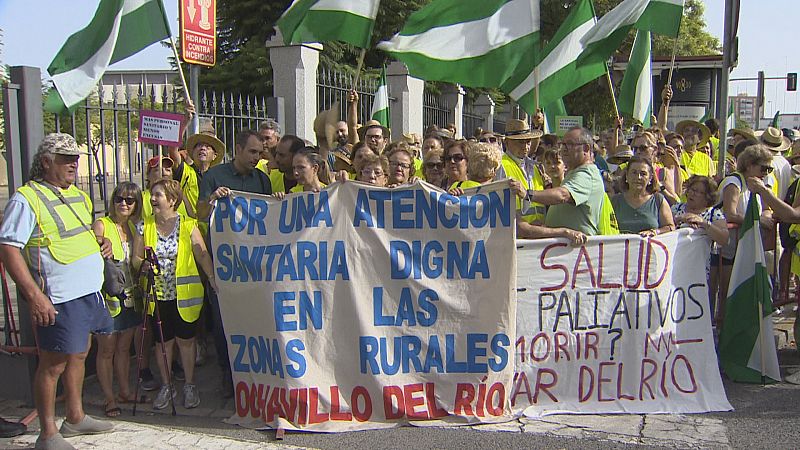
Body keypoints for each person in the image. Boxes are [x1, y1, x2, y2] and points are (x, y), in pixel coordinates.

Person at [0, 134, 114, 449]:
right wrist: (36, 296)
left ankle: (75, 417)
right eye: (66, 159)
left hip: (88, 291)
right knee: (53, 364)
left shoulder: (77, 194)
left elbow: (82, 232)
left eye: (75, 158)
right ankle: (48, 433)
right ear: (47, 161)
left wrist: (100, 242)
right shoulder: (27, 198)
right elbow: (9, 248)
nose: (73, 164)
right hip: (58, 295)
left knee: (79, 353)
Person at [134, 180, 216, 410]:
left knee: (185, 342)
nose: (152, 199)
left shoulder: (189, 225)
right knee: (163, 343)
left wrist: (212, 279)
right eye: (152, 194)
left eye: (158, 195)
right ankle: (167, 385)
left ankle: (189, 385)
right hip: (157, 295)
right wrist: (143, 266)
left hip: (184, 297)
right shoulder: (144, 225)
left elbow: (202, 254)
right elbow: (135, 258)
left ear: (172, 200)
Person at [93, 182, 145, 418]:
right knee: (107, 349)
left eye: (129, 200)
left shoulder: (134, 229)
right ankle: (109, 398)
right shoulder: (103, 224)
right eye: (119, 199)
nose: (123, 203)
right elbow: (96, 242)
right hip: (108, 298)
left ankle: (124, 391)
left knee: (124, 348)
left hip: (130, 296)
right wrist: (102, 241)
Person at [716, 145, 776, 324]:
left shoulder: (758, 185)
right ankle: (723, 327)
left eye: (770, 169)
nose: (766, 172)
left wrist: (765, 216)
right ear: (749, 165)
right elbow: (731, 213)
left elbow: (767, 209)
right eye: (763, 168)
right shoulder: (734, 183)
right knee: (727, 290)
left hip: (746, 244)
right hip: (728, 246)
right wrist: (758, 221)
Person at [526, 127, 606, 237]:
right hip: (564, 248)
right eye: (562, 144)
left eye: (570, 144)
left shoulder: (587, 174)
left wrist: (527, 194)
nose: (563, 148)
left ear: (586, 148)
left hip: (576, 249)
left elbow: (562, 195)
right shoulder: (575, 172)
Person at [169, 119, 226, 219]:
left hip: (212, 229)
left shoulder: (219, 177)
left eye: (207, 147)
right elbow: (173, 149)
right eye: (199, 146)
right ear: (192, 152)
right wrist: (185, 120)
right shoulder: (185, 171)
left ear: (214, 156)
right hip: (188, 227)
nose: (202, 148)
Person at [494, 119, 546, 223]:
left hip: (540, 232)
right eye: (519, 142)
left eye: (528, 142)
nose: (525, 146)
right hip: (515, 233)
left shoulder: (535, 167)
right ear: (507, 143)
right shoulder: (500, 164)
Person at [611, 156, 675, 236]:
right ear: (627, 175)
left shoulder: (658, 200)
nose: (638, 177)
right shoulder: (615, 201)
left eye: (643, 174)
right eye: (634, 172)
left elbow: (670, 227)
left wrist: (655, 232)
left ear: (650, 178)